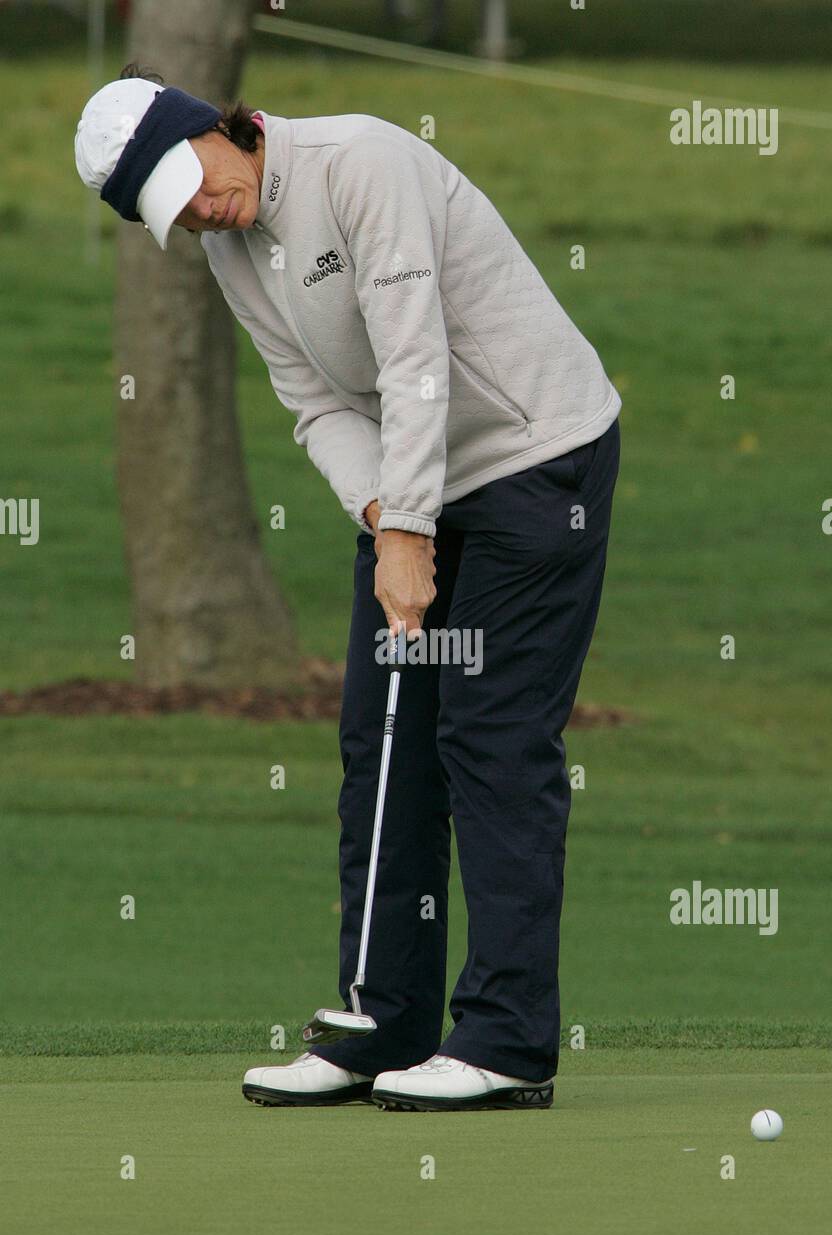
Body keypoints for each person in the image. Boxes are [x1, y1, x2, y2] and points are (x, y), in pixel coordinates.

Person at [75, 65, 621, 1112]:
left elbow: (417, 361)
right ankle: (386, 1019)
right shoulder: (232, 249)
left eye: (188, 182)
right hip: (419, 489)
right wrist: (384, 520)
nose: (198, 212)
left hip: (535, 463)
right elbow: (314, 401)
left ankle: (507, 1040)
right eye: (171, 216)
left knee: (489, 735)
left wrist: (410, 531)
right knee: (384, 740)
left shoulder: (360, 161)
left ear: (214, 131)